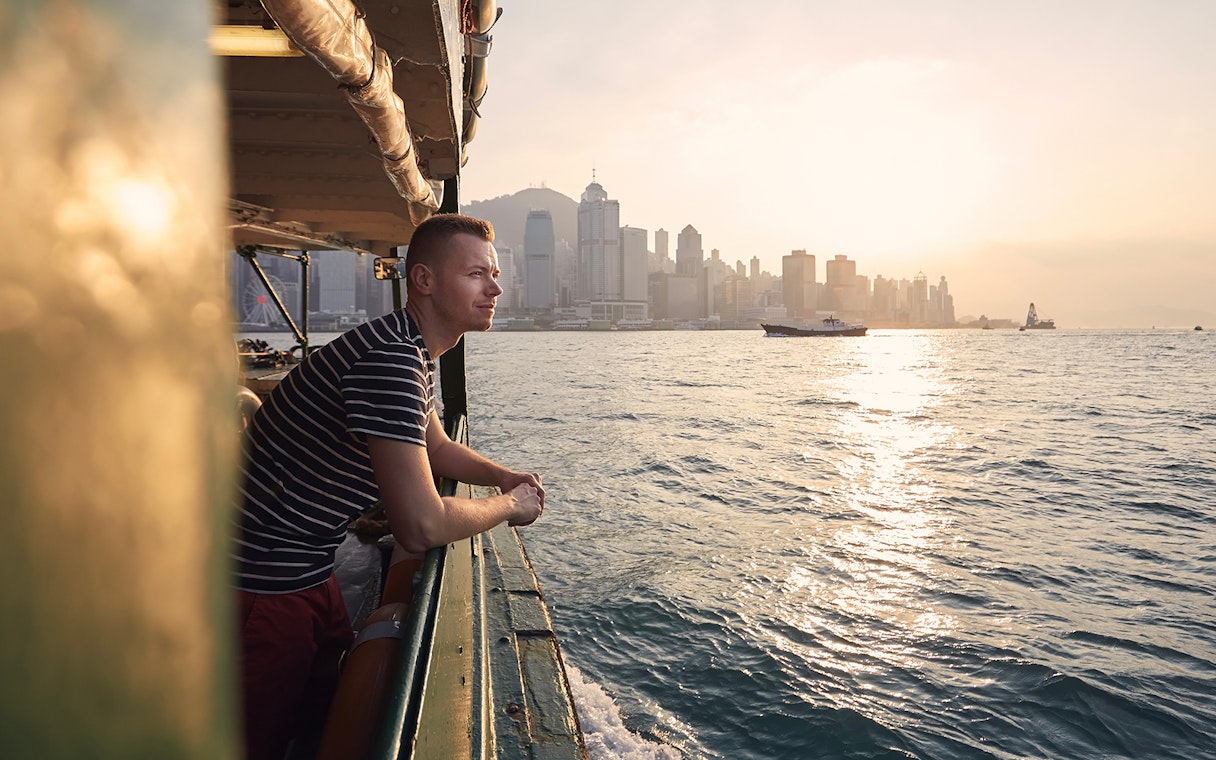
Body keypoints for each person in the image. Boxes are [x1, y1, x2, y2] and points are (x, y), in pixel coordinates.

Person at [233, 213, 545, 760]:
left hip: (308, 567)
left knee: (317, 710)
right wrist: (507, 506)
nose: (495, 287)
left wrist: (500, 475)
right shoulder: (390, 360)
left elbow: (439, 448)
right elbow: (420, 525)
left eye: (494, 274)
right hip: (262, 582)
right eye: (476, 274)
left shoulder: (409, 350)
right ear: (423, 280)